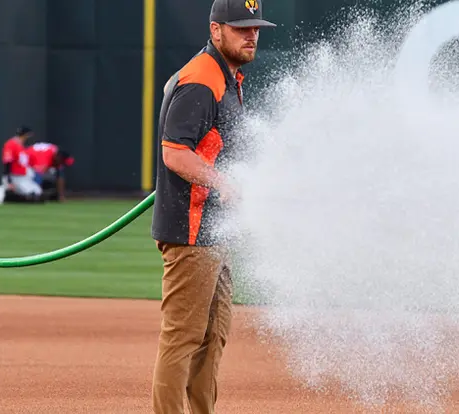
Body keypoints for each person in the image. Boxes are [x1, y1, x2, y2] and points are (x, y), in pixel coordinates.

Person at [149, 0, 275, 412]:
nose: (251, 34)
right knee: (183, 337)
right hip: (192, 232)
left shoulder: (223, 75)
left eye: (255, 27)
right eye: (241, 27)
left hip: (213, 232)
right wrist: (223, 183)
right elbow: (175, 153)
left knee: (212, 336)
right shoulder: (203, 80)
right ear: (216, 30)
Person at [0, 126, 42, 205]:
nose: (29, 138)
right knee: (29, 193)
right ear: (25, 135)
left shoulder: (21, 146)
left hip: (23, 177)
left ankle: (11, 196)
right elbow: (7, 162)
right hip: (14, 176)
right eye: (29, 135)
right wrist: (9, 179)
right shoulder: (11, 144)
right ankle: (3, 190)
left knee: (37, 192)